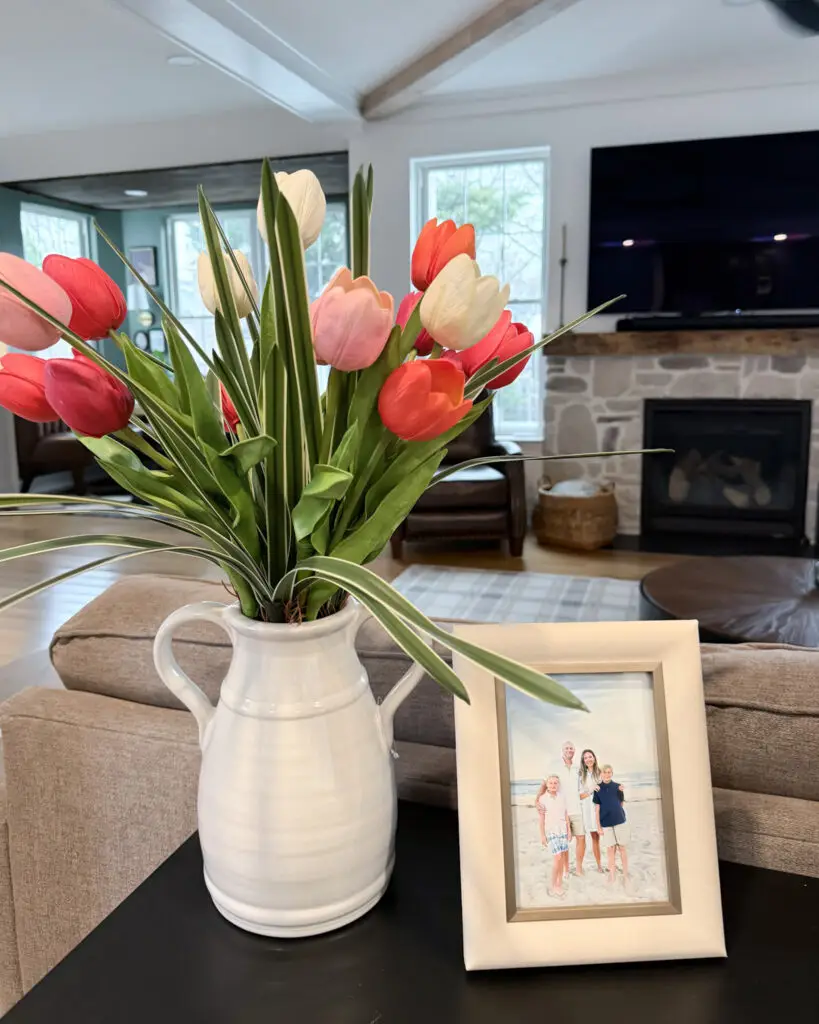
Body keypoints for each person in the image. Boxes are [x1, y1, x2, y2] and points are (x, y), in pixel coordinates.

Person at [535, 740, 584, 874]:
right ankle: (566, 870)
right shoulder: (554, 764)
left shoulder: (577, 768)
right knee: (565, 843)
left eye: (571, 748)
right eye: (567, 748)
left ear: (574, 751)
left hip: (576, 809)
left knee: (581, 838)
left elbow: (582, 787)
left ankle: (579, 868)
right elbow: (545, 783)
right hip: (561, 810)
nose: (569, 750)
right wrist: (537, 800)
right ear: (562, 750)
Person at [593, 763, 630, 886]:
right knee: (610, 849)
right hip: (606, 824)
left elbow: (620, 804)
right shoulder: (597, 789)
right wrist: (598, 826)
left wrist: (618, 814)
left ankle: (625, 875)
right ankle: (612, 874)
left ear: (612, 773)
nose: (607, 774)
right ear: (601, 774)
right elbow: (597, 810)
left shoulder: (618, 787)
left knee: (622, 848)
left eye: (609, 772)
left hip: (620, 821)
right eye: (605, 772)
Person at [536, 775, 570, 898]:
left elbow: (566, 814)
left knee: (561, 858)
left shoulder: (562, 797)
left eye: (555, 783)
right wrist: (542, 835)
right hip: (551, 831)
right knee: (558, 857)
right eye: (550, 783)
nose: (553, 785)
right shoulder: (542, 799)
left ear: (558, 785)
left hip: (563, 830)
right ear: (547, 785)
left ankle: (559, 883)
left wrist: (569, 830)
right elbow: (541, 819)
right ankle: (553, 885)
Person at [578, 748, 604, 874]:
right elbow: (579, 796)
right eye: (586, 757)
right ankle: (579, 867)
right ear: (583, 761)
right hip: (586, 810)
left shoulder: (600, 773)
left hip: (598, 809)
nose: (588, 759)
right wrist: (591, 790)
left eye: (590, 756)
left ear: (594, 758)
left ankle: (599, 865)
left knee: (596, 838)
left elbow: (607, 789)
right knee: (582, 839)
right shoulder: (580, 776)